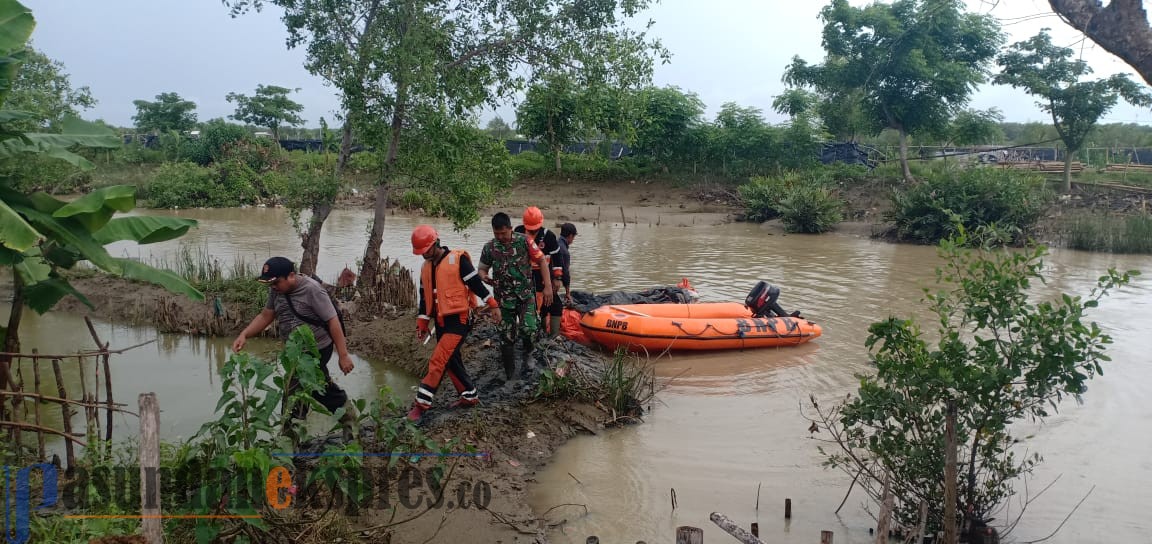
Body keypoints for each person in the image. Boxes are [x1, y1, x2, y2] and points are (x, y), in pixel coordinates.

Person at [232, 257, 358, 430]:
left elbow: (333, 321)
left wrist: (343, 355)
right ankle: (348, 421)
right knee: (317, 388)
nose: (273, 287)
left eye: (276, 282)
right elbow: (266, 315)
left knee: (296, 390)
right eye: (270, 284)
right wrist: (244, 334)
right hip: (294, 351)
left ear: (291, 276)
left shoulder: (312, 290)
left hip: (317, 348)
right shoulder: (276, 290)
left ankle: (289, 439)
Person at [405, 225, 501, 424]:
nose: (423, 256)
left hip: (458, 321)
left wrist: (492, 304)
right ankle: (469, 396)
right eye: (420, 253)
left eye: (425, 251)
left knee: (438, 361)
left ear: (434, 244)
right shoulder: (426, 268)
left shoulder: (458, 260)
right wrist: (422, 322)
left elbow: (475, 283)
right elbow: (424, 298)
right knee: (450, 360)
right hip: (441, 322)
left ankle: (420, 406)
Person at [479, 212, 553, 380]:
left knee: (529, 329)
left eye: (503, 233)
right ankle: (509, 373)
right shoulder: (490, 247)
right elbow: (482, 268)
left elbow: (542, 261)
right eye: (496, 234)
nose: (500, 237)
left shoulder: (525, 241)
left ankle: (528, 355)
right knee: (506, 336)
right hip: (502, 299)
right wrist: (483, 276)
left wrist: (547, 286)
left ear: (510, 229)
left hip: (525, 296)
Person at [513, 206, 563, 338]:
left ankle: (553, 336)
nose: (532, 232)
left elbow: (557, 258)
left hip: (543, 277)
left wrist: (557, 279)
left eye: (534, 230)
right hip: (525, 279)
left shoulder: (548, 237)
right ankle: (535, 333)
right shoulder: (518, 233)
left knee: (555, 305)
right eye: (529, 229)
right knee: (533, 307)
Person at [555, 222, 577, 308]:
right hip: (553, 282)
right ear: (571, 236)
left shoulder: (555, 243)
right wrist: (568, 293)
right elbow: (565, 274)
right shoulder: (564, 252)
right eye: (574, 237)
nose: (573, 240)